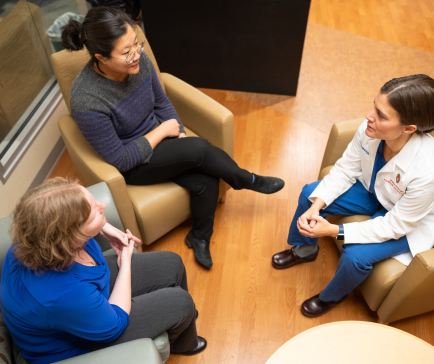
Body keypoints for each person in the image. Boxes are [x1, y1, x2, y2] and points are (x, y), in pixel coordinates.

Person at [60, 7, 284, 269]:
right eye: (126, 52)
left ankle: (200, 236)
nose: (136, 55)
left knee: (204, 178)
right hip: (134, 163)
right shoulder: (86, 98)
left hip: (162, 141)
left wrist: (178, 132)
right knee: (200, 149)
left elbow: (161, 102)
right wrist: (164, 132)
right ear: (101, 57)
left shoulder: (139, 61)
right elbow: (119, 159)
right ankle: (246, 179)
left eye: (137, 44)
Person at [272, 74, 434, 317]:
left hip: (415, 221)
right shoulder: (370, 129)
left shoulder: (430, 169)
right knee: (310, 194)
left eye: (381, 115)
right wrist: (316, 206)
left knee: (356, 256)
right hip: (380, 193)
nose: (369, 117)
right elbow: (346, 168)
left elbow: (398, 224)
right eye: (374, 107)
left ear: (409, 128)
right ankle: (305, 250)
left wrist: (333, 231)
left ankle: (331, 297)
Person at [0, 178, 205, 364]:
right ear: (71, 237)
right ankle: (183, 341)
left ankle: (183, 331)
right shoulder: (61, 294)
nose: (103, 205)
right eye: (94, 213)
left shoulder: (36, 235)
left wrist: (103, 226)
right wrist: (125, 263)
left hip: (78, 301)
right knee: (181, 303)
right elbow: (114, 323)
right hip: (78, 344)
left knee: (171, 263)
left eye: (94, 202)